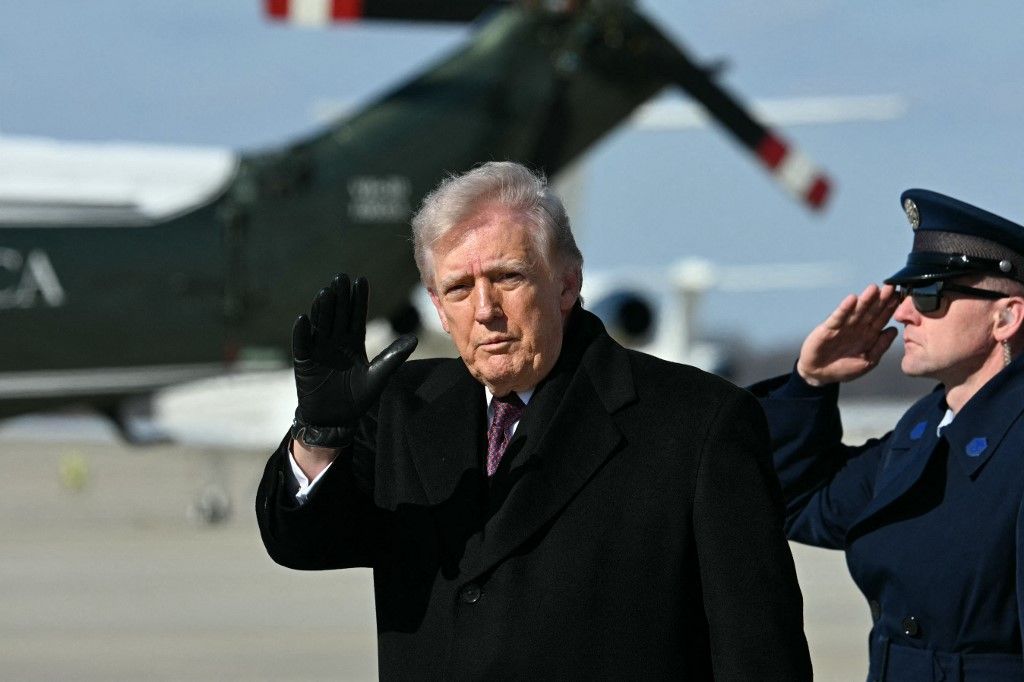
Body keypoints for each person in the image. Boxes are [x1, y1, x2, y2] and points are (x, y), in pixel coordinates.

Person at [256, 161, 811, 680]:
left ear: (567, 283)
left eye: (508, 277)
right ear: (436, 304)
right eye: (458, 288)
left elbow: (760, 654)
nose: (485, 310)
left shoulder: (698, 421)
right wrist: (319, 438)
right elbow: (303, 545)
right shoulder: (401, 406)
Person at [750, 188, 1024, 681]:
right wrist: (811, 385)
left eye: (929, 295)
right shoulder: (923, 431)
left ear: (1005, 316)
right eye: (905, 295)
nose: (903, 313)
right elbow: (797, 502)